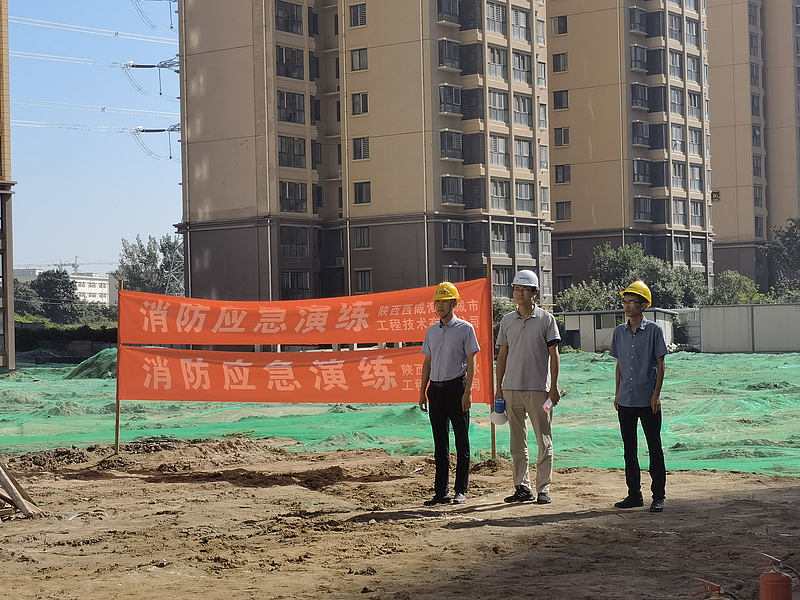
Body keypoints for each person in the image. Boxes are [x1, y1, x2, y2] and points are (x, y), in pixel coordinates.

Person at [495, 270, 561, 505]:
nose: (519, 293)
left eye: (524, 289)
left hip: (538, 390)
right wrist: (499, 388)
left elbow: (554, 355)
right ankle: (522, 487)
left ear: (535, 293)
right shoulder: (507, 321)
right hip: (511, 389)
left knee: (543, 439)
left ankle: (543, 488)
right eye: (516, 289)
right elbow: (502, 356)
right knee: (517, 441)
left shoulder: (546, 319)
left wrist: (553, 387)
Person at [419, 281, 480, 506]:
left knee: (462, 442)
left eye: (444, 301)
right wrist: (422, 391)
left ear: (454, 303)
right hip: (435, 391)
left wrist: (468, 392)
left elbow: (472, 362)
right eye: (437, 301)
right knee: (440, 444)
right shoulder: (431, 331)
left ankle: (460, 490)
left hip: (457, 389)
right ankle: (441, 492)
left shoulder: (465, 329)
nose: (440, 306)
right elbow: (427, 362)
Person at [609, 281, 668, 513]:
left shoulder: (654, 331)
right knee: (629, 449)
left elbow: (661, 364)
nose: (627, 306)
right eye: (625, 302)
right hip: (626, 399)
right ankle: (634, 494)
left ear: (644, 305)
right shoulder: (619, 333)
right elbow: (619, 365)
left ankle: (658, 496)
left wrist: (656, 395)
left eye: (631, 302)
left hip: (647, 399)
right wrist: (617, 393)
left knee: (654, 447)